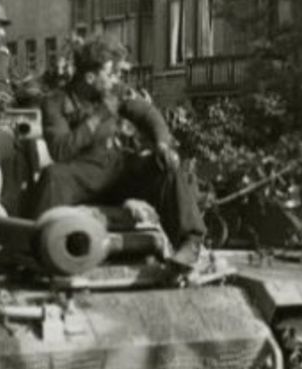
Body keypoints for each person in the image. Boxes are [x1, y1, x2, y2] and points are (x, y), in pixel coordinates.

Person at [30, 36, 207, 267]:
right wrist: (98, 116)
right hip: (79, 178)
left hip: (116, 174)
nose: (116, 79)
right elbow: (61, 150)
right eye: (111, 73)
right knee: (53, 176)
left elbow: (148, 114)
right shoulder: (55, 102)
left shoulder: (113, 91)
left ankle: (190, 244)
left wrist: (162, 144)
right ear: (91, 77)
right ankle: (47, 249)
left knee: (166, 166)